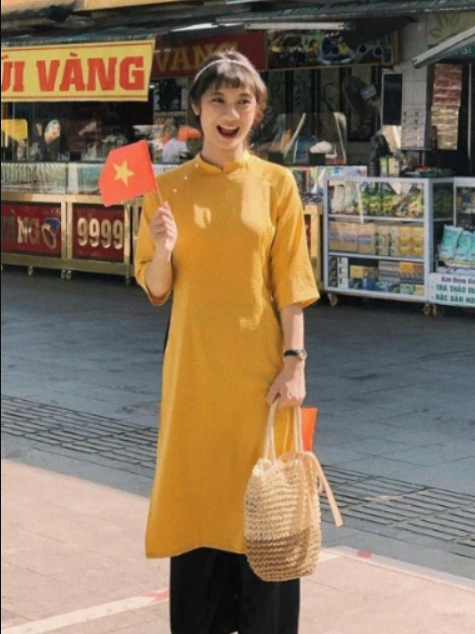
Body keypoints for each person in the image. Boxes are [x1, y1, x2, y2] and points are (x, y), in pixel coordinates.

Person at [135, 51, 319, 633]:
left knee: (266, 514)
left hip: (262, 380)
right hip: (194, 380)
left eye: (244, 102)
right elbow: (156, 289)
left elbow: (292, 279)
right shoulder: (166, 190)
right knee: (199, 510)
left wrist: (295, 361)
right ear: (197, 109)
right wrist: (163, 247)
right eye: (218, 100)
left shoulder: (277, 185)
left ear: (257, 114)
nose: (231, 112)